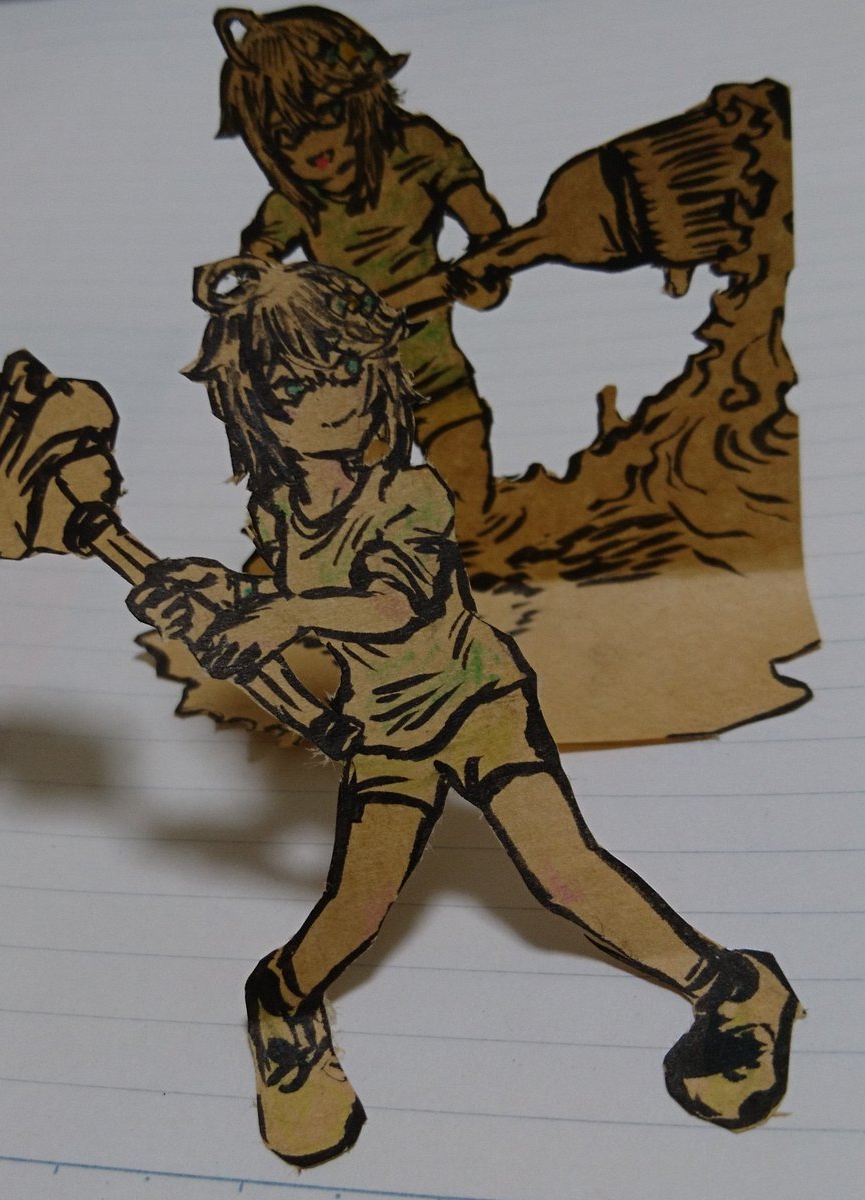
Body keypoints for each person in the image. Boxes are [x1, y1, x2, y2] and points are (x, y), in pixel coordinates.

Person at [128, 256, 799, 1168]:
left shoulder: (409, 493)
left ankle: (735, 988)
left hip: (480, 703)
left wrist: (278, 615)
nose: (330, 399)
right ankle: (281, 1006)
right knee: (359, 904)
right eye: (293, 387)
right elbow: (286, 600)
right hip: (385, 735)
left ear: (377, 367)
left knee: (564, 871)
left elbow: (391, 605)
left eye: (346, 369)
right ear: (253, 407)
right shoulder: (276, 508)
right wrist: (216, 597)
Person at [214, 5, 511, 532]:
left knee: (471, 506)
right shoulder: (294, 200)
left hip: (437, 372)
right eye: (287, 135)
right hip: (347, 396)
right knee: (357, 525)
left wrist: (483, 277)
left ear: (363, 94)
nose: (313, 148)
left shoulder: (419, 148)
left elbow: (491, 241)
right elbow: (254, 272)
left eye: (326, 115)